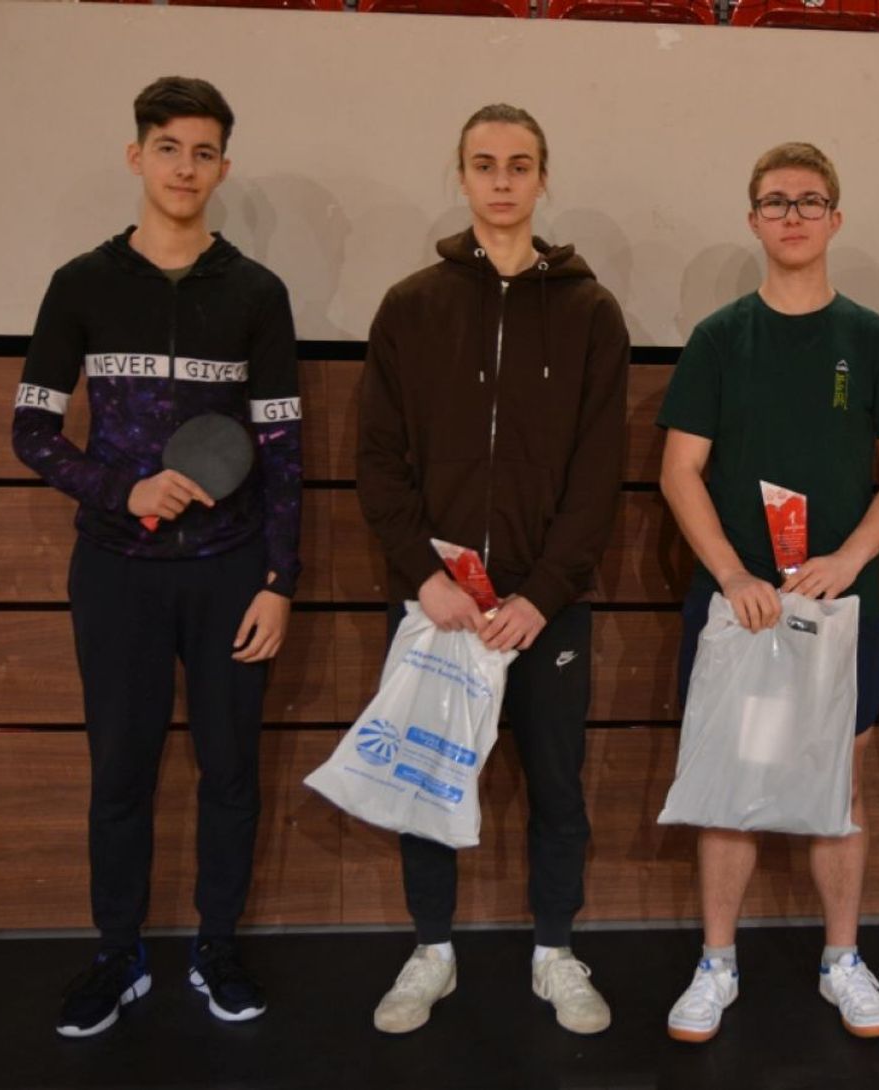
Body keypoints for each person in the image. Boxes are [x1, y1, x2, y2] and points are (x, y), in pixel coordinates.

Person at [13, 76, 301, 1038]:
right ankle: (117, 955)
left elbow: (282, 448)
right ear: (137, 156)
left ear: (224, 167)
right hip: (117, 571)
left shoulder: (257, 293)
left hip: (229, 573)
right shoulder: (80, 285)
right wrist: (119, 489)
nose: (186, 167)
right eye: (169, 147)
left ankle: (216, 948)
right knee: (120, 776)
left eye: (204, 151)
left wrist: (281, 581)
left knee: (231, 774)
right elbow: (31, 431)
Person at [357, 103, 629, 1037]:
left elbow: (599, 472)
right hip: (437, 605)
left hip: (547, 610)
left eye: (519, 164)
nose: (502, 180)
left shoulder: (591, 312)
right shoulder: (411, 305)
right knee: (428, 784)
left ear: (543, 179)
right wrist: (423, 579)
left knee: (557, 786)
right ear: (462, 175)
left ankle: (555, 951)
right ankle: (431, 950)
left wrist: (544, 594)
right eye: (484, 163)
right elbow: (378, 460)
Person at [657, 141, 879, 1043]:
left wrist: (848, 559)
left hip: (840, 609)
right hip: (741, 610)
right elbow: (680, 470)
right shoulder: (719, 338)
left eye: (810, 201)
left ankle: (842, 959)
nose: (794, 216)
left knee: (837, 789)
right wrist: (731, 573)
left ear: (835, 219)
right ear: (754, 220)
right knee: (729, 786)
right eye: (776, 202)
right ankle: (717, 963)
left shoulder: (873, 341)